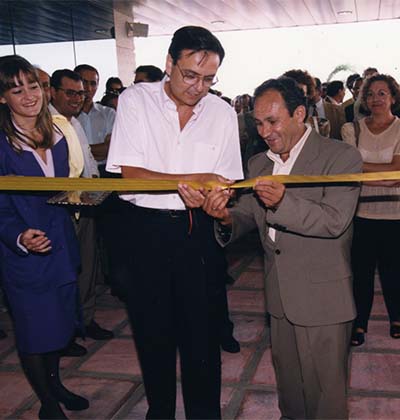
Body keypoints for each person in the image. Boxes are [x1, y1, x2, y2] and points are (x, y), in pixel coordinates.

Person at [195, 77, 362, 419]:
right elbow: (247, 218)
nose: (265, 131)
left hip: (323, 300)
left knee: (326, 398)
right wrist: (224, 217)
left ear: (299, 113)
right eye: (258, 123)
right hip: (279, 300)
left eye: (272, 121)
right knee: (290, 392)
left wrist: (284, 202)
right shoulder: (258, 165)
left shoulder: (341, 157)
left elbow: (334, 222)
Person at [106, 26, 243, 419]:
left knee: (202, 336)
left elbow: (227, 180)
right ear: (169, 64)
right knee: (153, 334)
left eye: (209, 79)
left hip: (196, 232)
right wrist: (196, 178)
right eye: (190, 75)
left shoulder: (221, 112)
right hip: (143, 231)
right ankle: (160, 410)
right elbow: (131, 175)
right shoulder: (135, 101)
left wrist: (218, 196)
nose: (198, 87)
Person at [0, 55, 88, 419]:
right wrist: (19, 236)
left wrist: (83, 195)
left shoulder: (57, 134)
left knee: (59, 327)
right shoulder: (3, 143)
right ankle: (48, 404)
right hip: (25, 253)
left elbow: (63, 189)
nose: (28, 95)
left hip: (61, 245)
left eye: (33, 86)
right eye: (15, 89)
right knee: (36, 332)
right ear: (3, 97)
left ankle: (55, 384)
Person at [50, 69, 113, 354]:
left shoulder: (74, 123)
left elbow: (87, 161)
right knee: (64, 273)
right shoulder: (46, 125)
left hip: (85, 205)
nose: (77, 98)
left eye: (81, 93)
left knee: (87, 268)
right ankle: (63, 333)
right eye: (70, 92)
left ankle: (85, 320)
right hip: (61, 211)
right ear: (53, 92)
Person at [341, 74, 400, 346]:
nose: (376, 99)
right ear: (364, 99)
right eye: (370, 94)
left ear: (393, 97)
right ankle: (359, 323)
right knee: (361, 272)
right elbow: (352, 171)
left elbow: (395, 175)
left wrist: (361, 167)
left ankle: (397, 318)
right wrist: (386, 171)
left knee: (394, 271)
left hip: (395, 216)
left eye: (382, 93)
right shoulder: (350, 129)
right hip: (360, 214)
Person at [74, 64, 115, 177]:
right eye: (84, 82)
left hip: (107, 173)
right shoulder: (67, 116)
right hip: (77, 175)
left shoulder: (109, 113)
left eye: (93, 83)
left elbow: (110, 150)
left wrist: (77, 150)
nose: (88, 88)